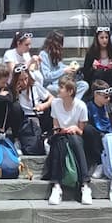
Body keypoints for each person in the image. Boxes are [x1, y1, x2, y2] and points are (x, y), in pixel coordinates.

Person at [45, 73, 92, 205]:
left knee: (75, 140)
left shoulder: (81, 105)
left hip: (75, 135)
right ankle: (56, 186)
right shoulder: (55, 103)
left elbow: (82, 130)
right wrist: (61, 131)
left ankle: (85, 185)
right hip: (60, 136)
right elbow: (55, 127)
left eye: (62, 87)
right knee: (59, 143)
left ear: (70, 91)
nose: (59, 89)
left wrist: (75, 129)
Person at [83, 25, 112, 102]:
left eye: (106, 37)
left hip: (111, 83)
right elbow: (86, 73)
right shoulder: (91, 53)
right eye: (102, 38)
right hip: (96, 82)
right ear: (97, 39)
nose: (104, 40)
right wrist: (93, 68)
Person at [12, 62, 53, 144]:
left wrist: (43, 105)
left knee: (51, 107)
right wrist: (15, 93)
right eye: (21, 80)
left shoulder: (35, 86)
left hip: (37, 115)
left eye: (26, 79)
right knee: (14, 107)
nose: (24, 82)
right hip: (23, 119)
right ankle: (17, 140)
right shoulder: (12, 90)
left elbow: (51, 97)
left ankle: (46, 138)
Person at [84, 80, 112, 176]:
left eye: (109, 96)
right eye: (105, 96)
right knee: (88, 129)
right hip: (97, 135)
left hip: (110, 134)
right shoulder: (88, 107)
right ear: (96, 95)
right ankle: (99, 163)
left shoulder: (109, 108)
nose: (108, 99)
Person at [39, 30, 87, 98]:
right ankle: (69, 103)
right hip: (51, 85)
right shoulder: (43, 55)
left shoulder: (56, 54)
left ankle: (72, 102)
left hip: (62, 83)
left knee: (83, 85)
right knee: (60, 89)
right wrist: (64, 71)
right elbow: (47, 77)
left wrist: (72, 69)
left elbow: (61, 67)